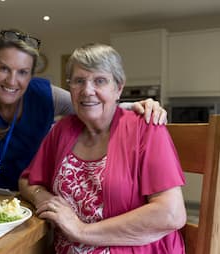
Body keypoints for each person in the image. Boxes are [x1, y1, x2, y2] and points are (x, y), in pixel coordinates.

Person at [0, 29, 168, 208]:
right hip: (12, 196)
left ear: (32, 74)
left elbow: (88, 105)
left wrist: (136, 106)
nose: (12, 81)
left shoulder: (45, 94)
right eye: (4, 68)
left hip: (47, 191)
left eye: (23, 72)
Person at [19, 43, 186, 253]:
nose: (87, 90)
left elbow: (171, 213)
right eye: (79, 81)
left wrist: (81, 231)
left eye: (100, 81)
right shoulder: (62, 130)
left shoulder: (145, 128)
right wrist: (42, 197)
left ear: (118, 88)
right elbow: (27, 180)